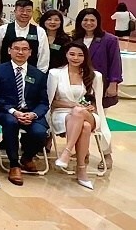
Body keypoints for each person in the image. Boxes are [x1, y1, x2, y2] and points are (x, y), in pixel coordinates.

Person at [48, 42, 110, 190]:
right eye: (72, 54)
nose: (76, 58)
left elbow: (97, 103)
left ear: (85, 57)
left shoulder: (95, 76)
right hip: (62, 114)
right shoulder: (55, 74)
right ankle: (81, 170)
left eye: (80, 55)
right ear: (66, 55)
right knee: (85, 127)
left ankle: (67, 152)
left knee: (81, 115)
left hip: (89, 114)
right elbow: (51, 102)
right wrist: (73, 106)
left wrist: (89, 107)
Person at [0, 37, 49, 186]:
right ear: (9, 51)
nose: (20, 52)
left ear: (30, 53)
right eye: (16, 48)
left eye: (24, 49)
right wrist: (14, 112)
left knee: (41, 132)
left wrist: (33, 114)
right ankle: (14, 164)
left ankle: (27, 157)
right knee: (11, 123)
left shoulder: (38, 74)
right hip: (7, 112)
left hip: (31, 113)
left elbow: (43, 102)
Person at [71, 8, 122, 167]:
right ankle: (83, 152)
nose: (88, 23)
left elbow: (115, 62)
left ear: (98, 22)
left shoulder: (109, 40)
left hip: (100, 87)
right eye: (85, 20)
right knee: (80, 120)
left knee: (100, 122)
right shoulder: (76, 38)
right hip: (80, 86)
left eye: (92, 20)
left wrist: (113, 83)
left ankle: (106, 155)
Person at [0, 0, 49, 72]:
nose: (25, 13)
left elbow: (43, 56)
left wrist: (39, 75)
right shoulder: (3, 29)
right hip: (5, 73)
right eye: (21, 10)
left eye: (28, 11)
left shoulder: (40, 31)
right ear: (15, 12)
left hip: (31, 74)